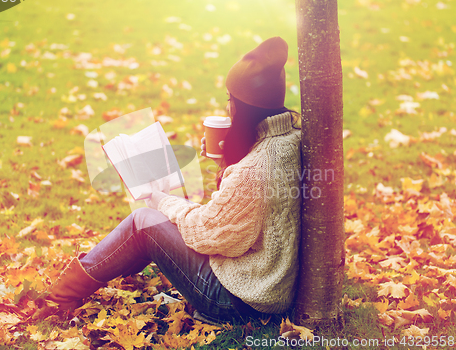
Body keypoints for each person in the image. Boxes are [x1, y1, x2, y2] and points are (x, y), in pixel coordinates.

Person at [45, 36, 302, 324]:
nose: (227, 107)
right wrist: (226, 162)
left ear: (243, 109)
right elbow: (253, 212)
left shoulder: (254, 169)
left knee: (143, 221)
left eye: (230, 101)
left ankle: (57, 299)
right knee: (158, 219)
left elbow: (207, 234)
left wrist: (162, 201)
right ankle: (112, 270)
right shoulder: (292, 139)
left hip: (237, 300)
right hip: (268, 285)